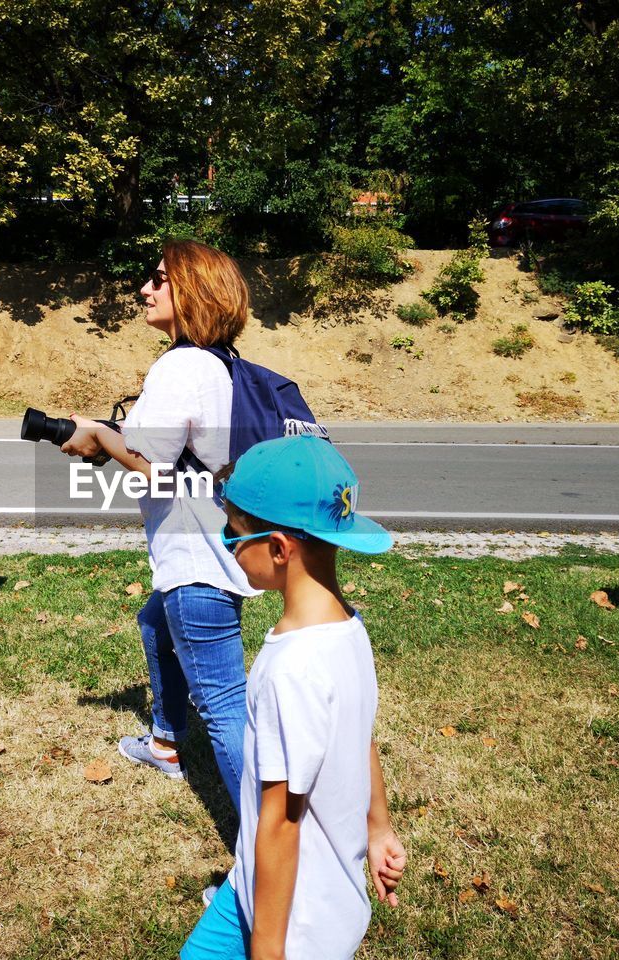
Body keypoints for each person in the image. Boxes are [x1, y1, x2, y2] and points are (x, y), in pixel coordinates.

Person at [181, 434, 407, 960]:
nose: (229, 545)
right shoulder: (349, 629)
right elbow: (361, 738)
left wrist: (267, 949)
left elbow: (282, 819)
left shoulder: (292, 669)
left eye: (234, 533)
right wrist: (380, 828)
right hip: (252, 887)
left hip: (295, 925)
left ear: (280, 548)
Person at [60, 240, 256, 811]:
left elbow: (159, 473)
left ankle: (272, 865)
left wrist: (98, 437)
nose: (145, 289)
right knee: (155, 622)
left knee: (223, 704)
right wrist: (106, 441)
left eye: (158, 279)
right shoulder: (224, 365)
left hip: (196, 558)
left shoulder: (180, 364)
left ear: (192, 291)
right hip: (222, 542)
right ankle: (167, 742)